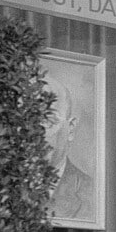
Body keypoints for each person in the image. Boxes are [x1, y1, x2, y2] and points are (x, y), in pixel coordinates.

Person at [43, 75, 94, 220]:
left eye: (47, 120)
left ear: (70, 129)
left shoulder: (89, 192)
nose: (36, 132)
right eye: (27, 120)